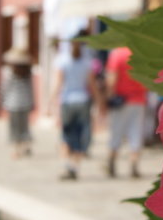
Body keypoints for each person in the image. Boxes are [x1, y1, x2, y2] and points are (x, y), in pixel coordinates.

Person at [52, 35, 97, 180]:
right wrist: (100, 100)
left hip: (67, 101)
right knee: (80, 133)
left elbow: (59, 83)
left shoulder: (62, 61)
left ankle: (67, 166)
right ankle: (75, 167)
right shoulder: (86, 62)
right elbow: (92, 84)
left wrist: (50, 101)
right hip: (83, 100)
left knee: (67, 134)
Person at [104, 45, 148, 179]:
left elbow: (112, 78)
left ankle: (111, 162)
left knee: (116, 132)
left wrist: (109, 96)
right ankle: (134, 164)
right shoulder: (140, 53)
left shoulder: (117, 54)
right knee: (135, 133)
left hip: (121, 100)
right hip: (138, 99)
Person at [0, 47, 35, 158]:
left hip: (13, 104)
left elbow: (5, 88)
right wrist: (32, 102)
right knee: (24, 126)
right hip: (25, 103)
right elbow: (30, 89)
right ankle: (25, 146)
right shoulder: (27, 73)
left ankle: (17, 150)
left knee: (14, 128)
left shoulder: (9, 73)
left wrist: (2, 101)